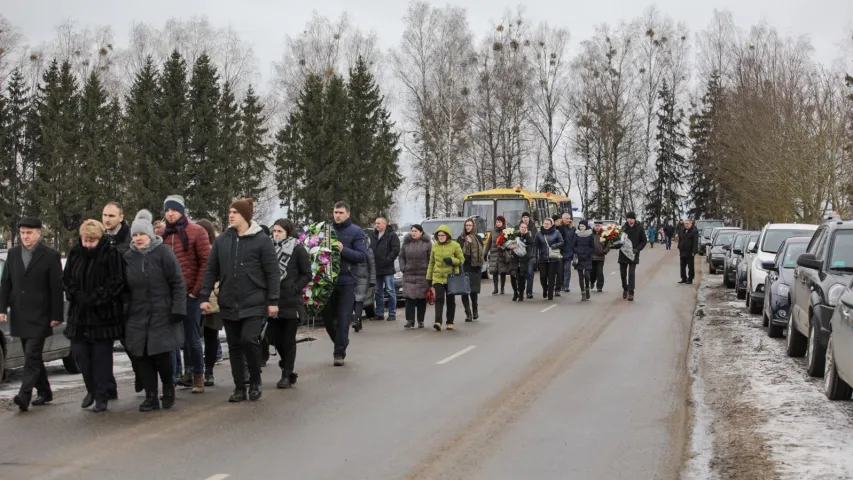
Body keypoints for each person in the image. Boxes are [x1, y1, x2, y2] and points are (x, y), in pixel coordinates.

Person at [200, 199, 279, 401]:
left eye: (235, 212)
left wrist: (273, 301)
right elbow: (211, 270)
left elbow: (272, 272)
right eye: (230, 211)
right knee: (234, 345)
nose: (231, 215)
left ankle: (255, 381)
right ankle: (239, 386)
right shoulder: (222, 241)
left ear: (245, 215)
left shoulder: (261, 240)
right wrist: (204, 295)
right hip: (228, 301)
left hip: (254, 301)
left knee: (249, 339)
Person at [124, 210, 187, 412]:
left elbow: (177, 282)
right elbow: (124, 288)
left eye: (141, 234)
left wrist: (178, 308)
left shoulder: (163, 253)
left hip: (162, 311)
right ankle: (150, 395)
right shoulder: (128, 257)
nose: (138, 238)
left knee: (160, 354)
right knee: (141, 356)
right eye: (134, 235)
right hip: (137, 314)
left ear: (150, 235)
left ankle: (168, 387)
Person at [0, 217, 64, 412]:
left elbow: (56, 288)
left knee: (31, 355)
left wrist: (56, 315)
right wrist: (2, 308)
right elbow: (6, 283)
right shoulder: (12, 254)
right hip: (20, 314)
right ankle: (45, 392)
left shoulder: (50, 255)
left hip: (41, 315)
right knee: (33, 356)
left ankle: (24, 395)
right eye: (22, 233)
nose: (25, 236)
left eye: (29, 232)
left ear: (38, 233)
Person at [62, 220, 126, 412]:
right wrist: (77, 294)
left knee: (101, 359)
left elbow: (116, 282)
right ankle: (91, 388)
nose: (88, 244)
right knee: (81, 356)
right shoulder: (75, 253)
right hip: (79, 315)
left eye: (92, 240)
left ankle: (101, 396)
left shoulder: (111, 254)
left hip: (102, 316)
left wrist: (97, 297)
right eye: (86, 240)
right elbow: (66, 279)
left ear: (100, 238)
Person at [156, 195, 211, 394]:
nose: (170, 214)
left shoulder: (197, 232)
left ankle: (198, 375)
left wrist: (196, 292)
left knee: (191, 338)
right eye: (167, 210)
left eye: (174, 210)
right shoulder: (162, 235)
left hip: (189, 294)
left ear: (182, 211)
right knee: (170, 340)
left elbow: (206, 263)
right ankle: (174, 377)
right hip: (168, 296)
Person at [320, 201, 368, 366]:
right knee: (327, 317)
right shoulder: (327, 230)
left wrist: (343, 249)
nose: (337, 215)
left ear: (348, 213)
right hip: (327, 281)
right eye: (335, 212)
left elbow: (362, 256)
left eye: (340, 212)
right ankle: (341, 341)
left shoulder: (356, 232)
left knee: (343, 317)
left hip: (346, 280)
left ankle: (339, 353)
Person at [270, 218, 312, 389]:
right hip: (273, 300)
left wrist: (295, 288)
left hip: (292, 301)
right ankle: (287, 364)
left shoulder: (297, 249)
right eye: (274, 231)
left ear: (287, 231)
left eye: (279, 231)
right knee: (273, 338)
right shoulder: (269, 249)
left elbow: (307, 274)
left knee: (288, 340)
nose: (276, 234)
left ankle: (286, 374)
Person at [101, 201, 136, 393]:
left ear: (121, 217)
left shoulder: (130, 238)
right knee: (104, 348)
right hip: (105, 301)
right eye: (105, 215)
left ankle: (141, 375)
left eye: (111, 216)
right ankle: (108, 387)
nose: (107, 219)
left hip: (126, 299)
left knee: (129, 344)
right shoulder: (99, 237)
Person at [196, 219, 222, 387]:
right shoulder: (192, 248)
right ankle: (194, 370)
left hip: (213, 299)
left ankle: (209, 370)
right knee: (193, 337)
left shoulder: (217, 249)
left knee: (211, 336)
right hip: (194, 296)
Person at [426, 225, 464, 331]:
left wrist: (452, 260)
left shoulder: (455, 245)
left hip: (451, 277)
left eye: (442, 235)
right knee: (439, 299)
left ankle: (450, 322)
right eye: (439, 235)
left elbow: (461, 260)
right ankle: (438, 322)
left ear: (447, 235)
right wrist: (428, 277)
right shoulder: (435, 246)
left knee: (450, 300)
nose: (441, 237)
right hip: (437, 277)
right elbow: (431, 263)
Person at [400, 225, 432, 329]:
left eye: (416, 231)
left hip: (423, 274)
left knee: (421, 299)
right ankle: (410, 320)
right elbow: (401, 256)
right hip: (408, 274)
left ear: (421, 232)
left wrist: (428, 270)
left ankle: (420, 320)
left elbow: (431, 258)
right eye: (412, 231)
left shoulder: (427, 243)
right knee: (409, 299)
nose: (413, 233)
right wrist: (403, 267)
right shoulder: (406, 243)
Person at [370, 217, 400, 322]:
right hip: (376, 268)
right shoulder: (373, 235)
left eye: (378, 223)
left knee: (390, 290)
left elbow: (396, 250)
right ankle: (379, 313)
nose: (376, 225)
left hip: (387, 268)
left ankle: (392, 313)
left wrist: (388, 259)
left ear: (385, 224)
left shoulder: (391, 235)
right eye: (376, 223)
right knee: (378, 291)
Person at [457, 218, 483, 322]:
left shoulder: (477, 238)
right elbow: (459, 253)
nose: (468, 227)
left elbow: (480, 251)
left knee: (473, 291)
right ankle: (468, 313)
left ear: (473, 226)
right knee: (464, 292)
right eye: (466, 225)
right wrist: (466, 244)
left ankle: (475, 310)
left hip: (475, 267)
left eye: (470, 225)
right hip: (465, 267)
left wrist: (472, 243)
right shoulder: (461, 238)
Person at [619, 212, 647, 301]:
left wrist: (637, 249)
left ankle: (631, 292)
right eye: (628, 218)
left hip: (633, 254)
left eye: (631, 218)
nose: (629, 220)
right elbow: (619, 239)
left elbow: (644, 241)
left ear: (634, 219)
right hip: (623, 254)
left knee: (631, 273)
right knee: (623, 274)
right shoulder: (623, 228)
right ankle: (625, 288)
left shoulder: (639, 228)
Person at [535, 217, 564, 301]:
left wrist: (556, 245)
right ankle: (545, 288)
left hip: (553, 258)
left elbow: (562, 242)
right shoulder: (539, 233)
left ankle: (550, 295)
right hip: (543, 258)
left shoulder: (556, 232)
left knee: (551, 277)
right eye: (545, 223)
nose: (546, 225)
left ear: (551, 225)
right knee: (543, 276)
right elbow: (535, 245)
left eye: (548, 224)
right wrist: (535, 256)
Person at [353, 236, 376, 332]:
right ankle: (358, 320)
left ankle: (357, 320)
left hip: (363, 277)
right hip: (352, 276)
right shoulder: (351, 248)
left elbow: (372, 266)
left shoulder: (368, 250)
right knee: (353, 299)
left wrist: (372, 280)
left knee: (359, 298)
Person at [509, 221, 535, 302]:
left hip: (524, 259)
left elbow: (531, 243)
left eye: (525, 227)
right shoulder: (514, 235)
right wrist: (511, 246)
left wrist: (527, 235)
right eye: (522, 227)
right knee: (513, 276)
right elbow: (507, 244)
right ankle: (515, 292)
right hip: (515, 259)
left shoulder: (528, 236)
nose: (523, 229)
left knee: (522, 278)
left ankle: (521, 294)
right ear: (519, 228)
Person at [485, 216, 511, 295]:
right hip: (494, 254)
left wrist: (503, 247)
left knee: (502, 272)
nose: (498, 223)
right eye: (497, 222)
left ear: (503, 223)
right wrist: (485, 253)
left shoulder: (506, 232)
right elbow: (489, 243)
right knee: (495, 272)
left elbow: (509, 243)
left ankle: (502, 288)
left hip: (502, 254)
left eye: (500, 222)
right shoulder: (493, 232)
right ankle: (495, 288)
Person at [573, 220, 595, 301]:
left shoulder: (590, 234)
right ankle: (583, 293)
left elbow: (593, 246)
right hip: (579, 258)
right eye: (580, 226)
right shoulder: (576, 234)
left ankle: (587, 288)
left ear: (586, 226)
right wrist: (577, 251)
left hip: (587, 257)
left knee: (587, 275)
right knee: (580, 276)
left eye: (583, 226)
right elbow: (573, 245)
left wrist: (589, 252)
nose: (581, 227)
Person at [519, 212, 536, 299]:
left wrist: (527, 234)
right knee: (520, 275)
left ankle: (529, 292)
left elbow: (533, 241)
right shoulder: (517, 228)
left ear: (529, 218)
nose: (525, 218)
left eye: (527, 217)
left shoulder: (533, 228)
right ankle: (520, 291)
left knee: (529, 273)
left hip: (529, 255)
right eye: (524, 217)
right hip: (519, 255)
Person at [559, 214, 576, 294]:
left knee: (567, 269)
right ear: (563, 219)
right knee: (560, 270)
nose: (568, 220)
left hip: (569, 252)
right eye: (566, 218)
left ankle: (566, 286)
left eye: (569, 218)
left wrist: (574, 250)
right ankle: (561, 284)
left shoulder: (572, 228)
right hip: (560, 252)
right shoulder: (559, 228)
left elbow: (575, 239)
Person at [678, 219, 700, 284]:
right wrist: (679, 246)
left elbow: (695, 242)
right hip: (682, 251)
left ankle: (690, 279)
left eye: (687, 223)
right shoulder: (682, 230)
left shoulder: (694, 231)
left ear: (691, 224)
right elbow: (680, 239)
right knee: (682, 266)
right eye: (685, 223)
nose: (686, 225)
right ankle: (683, 278)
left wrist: (694, 251)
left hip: (690, 252)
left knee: (690, 267)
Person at [591, 221, 610, 292]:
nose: (597, 227)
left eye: (598, 226)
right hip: (591, 256)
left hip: (600, 257)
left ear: (601, 226)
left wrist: (605, 251)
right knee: (592, 271)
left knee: (600, 272)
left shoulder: (605, 234)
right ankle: (592, 282)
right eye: (596, 225)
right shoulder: (591, 234)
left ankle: (599, 286)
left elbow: (608, 244)